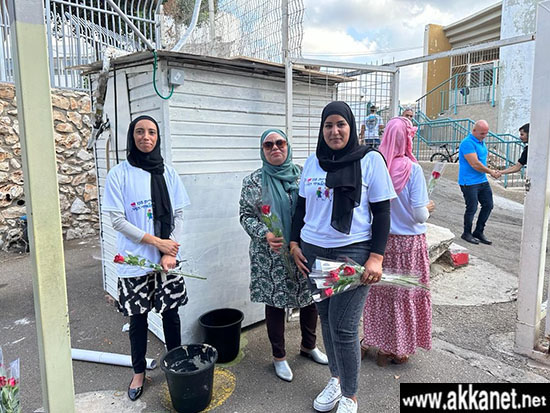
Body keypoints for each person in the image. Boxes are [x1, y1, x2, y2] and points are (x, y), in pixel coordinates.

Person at [290, 102, 395, 413]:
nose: (334, 131)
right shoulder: (313, 162)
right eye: (328, 125)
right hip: (313, 252)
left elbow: (383, 212)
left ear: (351, 127)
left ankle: (350, 395)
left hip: (352, 253)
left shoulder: (371, 160)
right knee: (326, 319)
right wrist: (294, 243)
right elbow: (301, 208)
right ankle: (336, 379)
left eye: (341, 124)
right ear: (321, 129)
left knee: (344, 327)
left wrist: (376, 257)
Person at [102, 116, 190, 401]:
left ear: (157, 137)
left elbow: (178, 214)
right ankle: (138, 372)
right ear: (132, 137)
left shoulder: (168, 173)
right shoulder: (119, 174)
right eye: (139, 132)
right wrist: (157, 243)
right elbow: (118, 220)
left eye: (151, 132)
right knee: (138, 320)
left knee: (171, 315)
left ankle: (175, 362)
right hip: (135, 261)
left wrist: (168, 251)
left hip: (167, 261)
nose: (146, 137)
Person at [239, 129, 328, 383]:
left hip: (303, 249)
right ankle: (279, 356)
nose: (275, 148)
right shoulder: (253, 182)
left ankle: (309, 346)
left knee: (310, 299)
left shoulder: (303, 175)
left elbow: (317, 207)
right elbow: (245, 215)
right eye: (268, 145)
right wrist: (264, 233)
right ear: (262, 150)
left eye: (280, 143)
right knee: (276, 304)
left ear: (288, 146)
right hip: (271, 255)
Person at [361, 117, 435, 366]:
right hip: (409, 245)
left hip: (380, 243)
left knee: (379, 294)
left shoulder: (374, 165)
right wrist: (428, 207)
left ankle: (370, 340)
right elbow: (419, 215)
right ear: (407, 139)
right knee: (404, 295)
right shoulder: (412, 169)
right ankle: (395, 348)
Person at [458, 120, 500, 245]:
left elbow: (481, 160)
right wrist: (491, 172)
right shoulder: (467, 143)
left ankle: (478, 231)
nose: (484, 136)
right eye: (482, 133)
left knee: (488, 205)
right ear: (474, 131)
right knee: (472, 207)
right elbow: (475, 164)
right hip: (469, 181)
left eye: (486, 133)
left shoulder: (481, 142)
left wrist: (490, 170)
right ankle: (466, 233)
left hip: (481, 180)